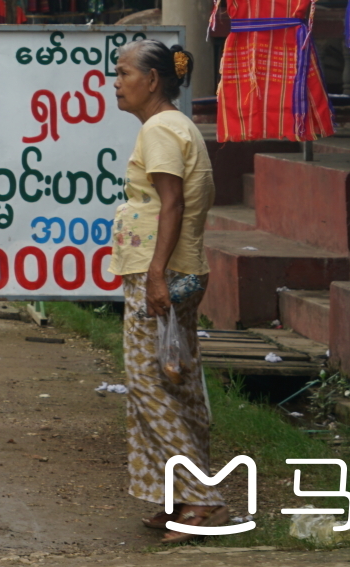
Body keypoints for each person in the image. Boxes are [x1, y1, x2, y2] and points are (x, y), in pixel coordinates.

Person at [109, 40, 222, 539]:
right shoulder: (176, 126)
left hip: (163, 273)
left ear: (152, 80)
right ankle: (176, 495)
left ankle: (200, 497)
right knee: (178, 382)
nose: (116, 82)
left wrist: (155, 273)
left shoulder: (160, 129)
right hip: (180, 269)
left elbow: (171, 204)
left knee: (148, 385)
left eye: (123, 72)